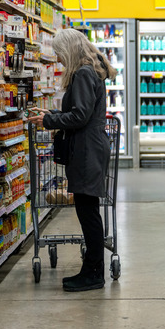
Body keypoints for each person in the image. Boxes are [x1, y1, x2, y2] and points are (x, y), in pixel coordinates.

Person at [28, 28, 116, 292]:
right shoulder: (91, 71)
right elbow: (81, 112)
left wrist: (49, 120)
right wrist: (53, 114)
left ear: (69, 50)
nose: (58, 60)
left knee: (88, 213)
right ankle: (91, 270)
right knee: (87, 210)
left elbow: (79, 117)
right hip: (88, 147)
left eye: (59, 54)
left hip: (87, 150)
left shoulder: (83, 73)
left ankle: (93, 274)